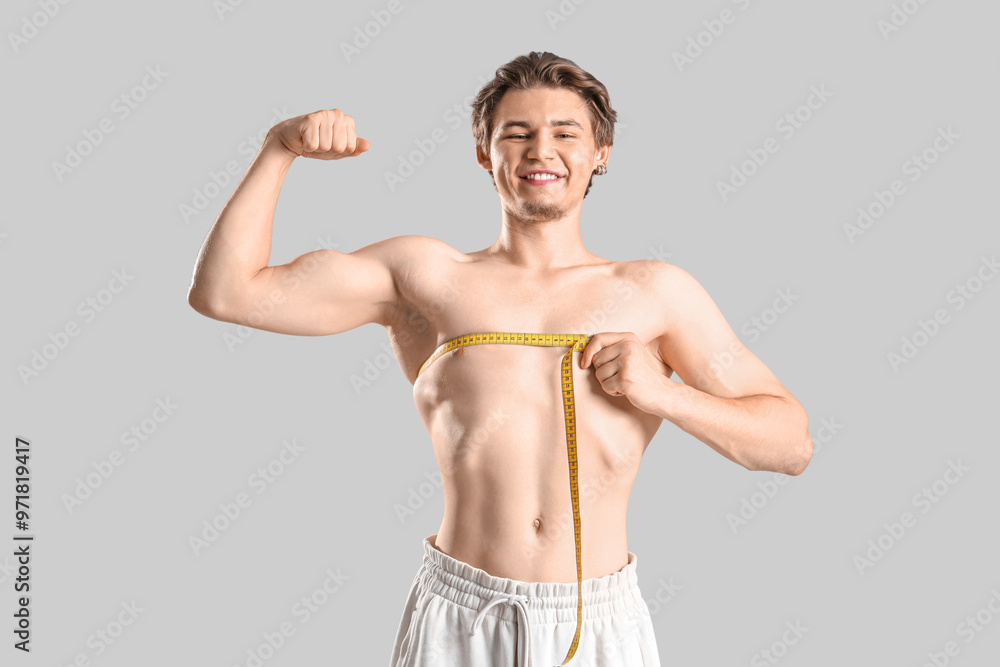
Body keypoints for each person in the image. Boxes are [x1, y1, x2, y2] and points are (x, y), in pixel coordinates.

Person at [187, 51, 813, 667]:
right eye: (518, 133)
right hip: (460, 615)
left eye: (565, 133)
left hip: (595, 620)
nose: (541, 150)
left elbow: (790, 446)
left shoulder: (655, 293)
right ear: (486, 154)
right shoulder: (424, 276)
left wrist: (665, 394)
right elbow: (226, 293)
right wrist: (279, 149)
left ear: (601, 153)